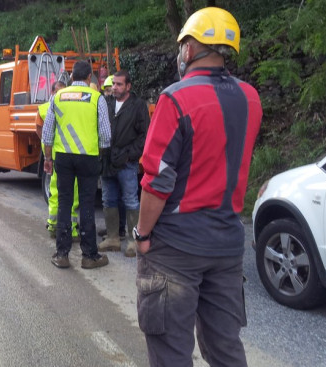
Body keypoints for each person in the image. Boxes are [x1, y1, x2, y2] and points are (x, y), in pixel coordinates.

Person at [134, 7, 262, 367]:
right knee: (225, 349)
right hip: (227, 245)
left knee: (171, 351)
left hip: (176, 247)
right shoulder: (251, 99)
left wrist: (143, 234)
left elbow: (157, 180)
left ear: (189, 49)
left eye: (182, 45)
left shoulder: (175, 98)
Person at [42, 60, 111, 269]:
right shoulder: (97, 98)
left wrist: (47, 158)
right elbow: (106, 137)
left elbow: (47, 134)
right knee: (87, 204)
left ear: (71, 77)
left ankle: (62, 254)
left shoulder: (58, 97)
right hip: (88, 158)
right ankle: (89, 256)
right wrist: (97, 152)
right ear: (89, 77)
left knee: (64, 203)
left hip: (62, 157)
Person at [98, 70, 149, 257]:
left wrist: (129, 155)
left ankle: (133, 241)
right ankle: (112, 237)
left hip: (127, 162)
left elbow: (145, 135)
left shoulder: (138, 106)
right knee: (108, 199)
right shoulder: (107, 104)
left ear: (128, 86)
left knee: (130, 200)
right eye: (114, 84)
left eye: (119, 84)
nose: (115, 87)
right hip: (108, 159)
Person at [39, 81, 80, 241]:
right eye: (58, 92)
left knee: (62, 192)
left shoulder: (47, 107)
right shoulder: (50, 107)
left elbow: (42, 131)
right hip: (60, 155)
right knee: (62, 192)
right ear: (52, 92)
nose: (61, 95)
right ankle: (61, 227)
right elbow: (41, 130)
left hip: (62, 154)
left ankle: (56, 225)